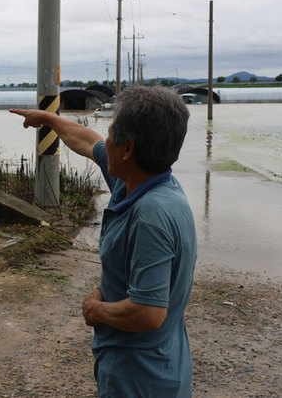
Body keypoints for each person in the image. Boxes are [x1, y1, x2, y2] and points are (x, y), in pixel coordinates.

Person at [10, 86, 197, 397]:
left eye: (111, 134)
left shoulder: (150, 214)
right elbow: (88, 141)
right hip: (160, 362)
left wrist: (95, 310)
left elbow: (149, 312)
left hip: (139, 376)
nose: (104, 140)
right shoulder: (144, 183)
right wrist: (49, 119)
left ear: (127, 150)